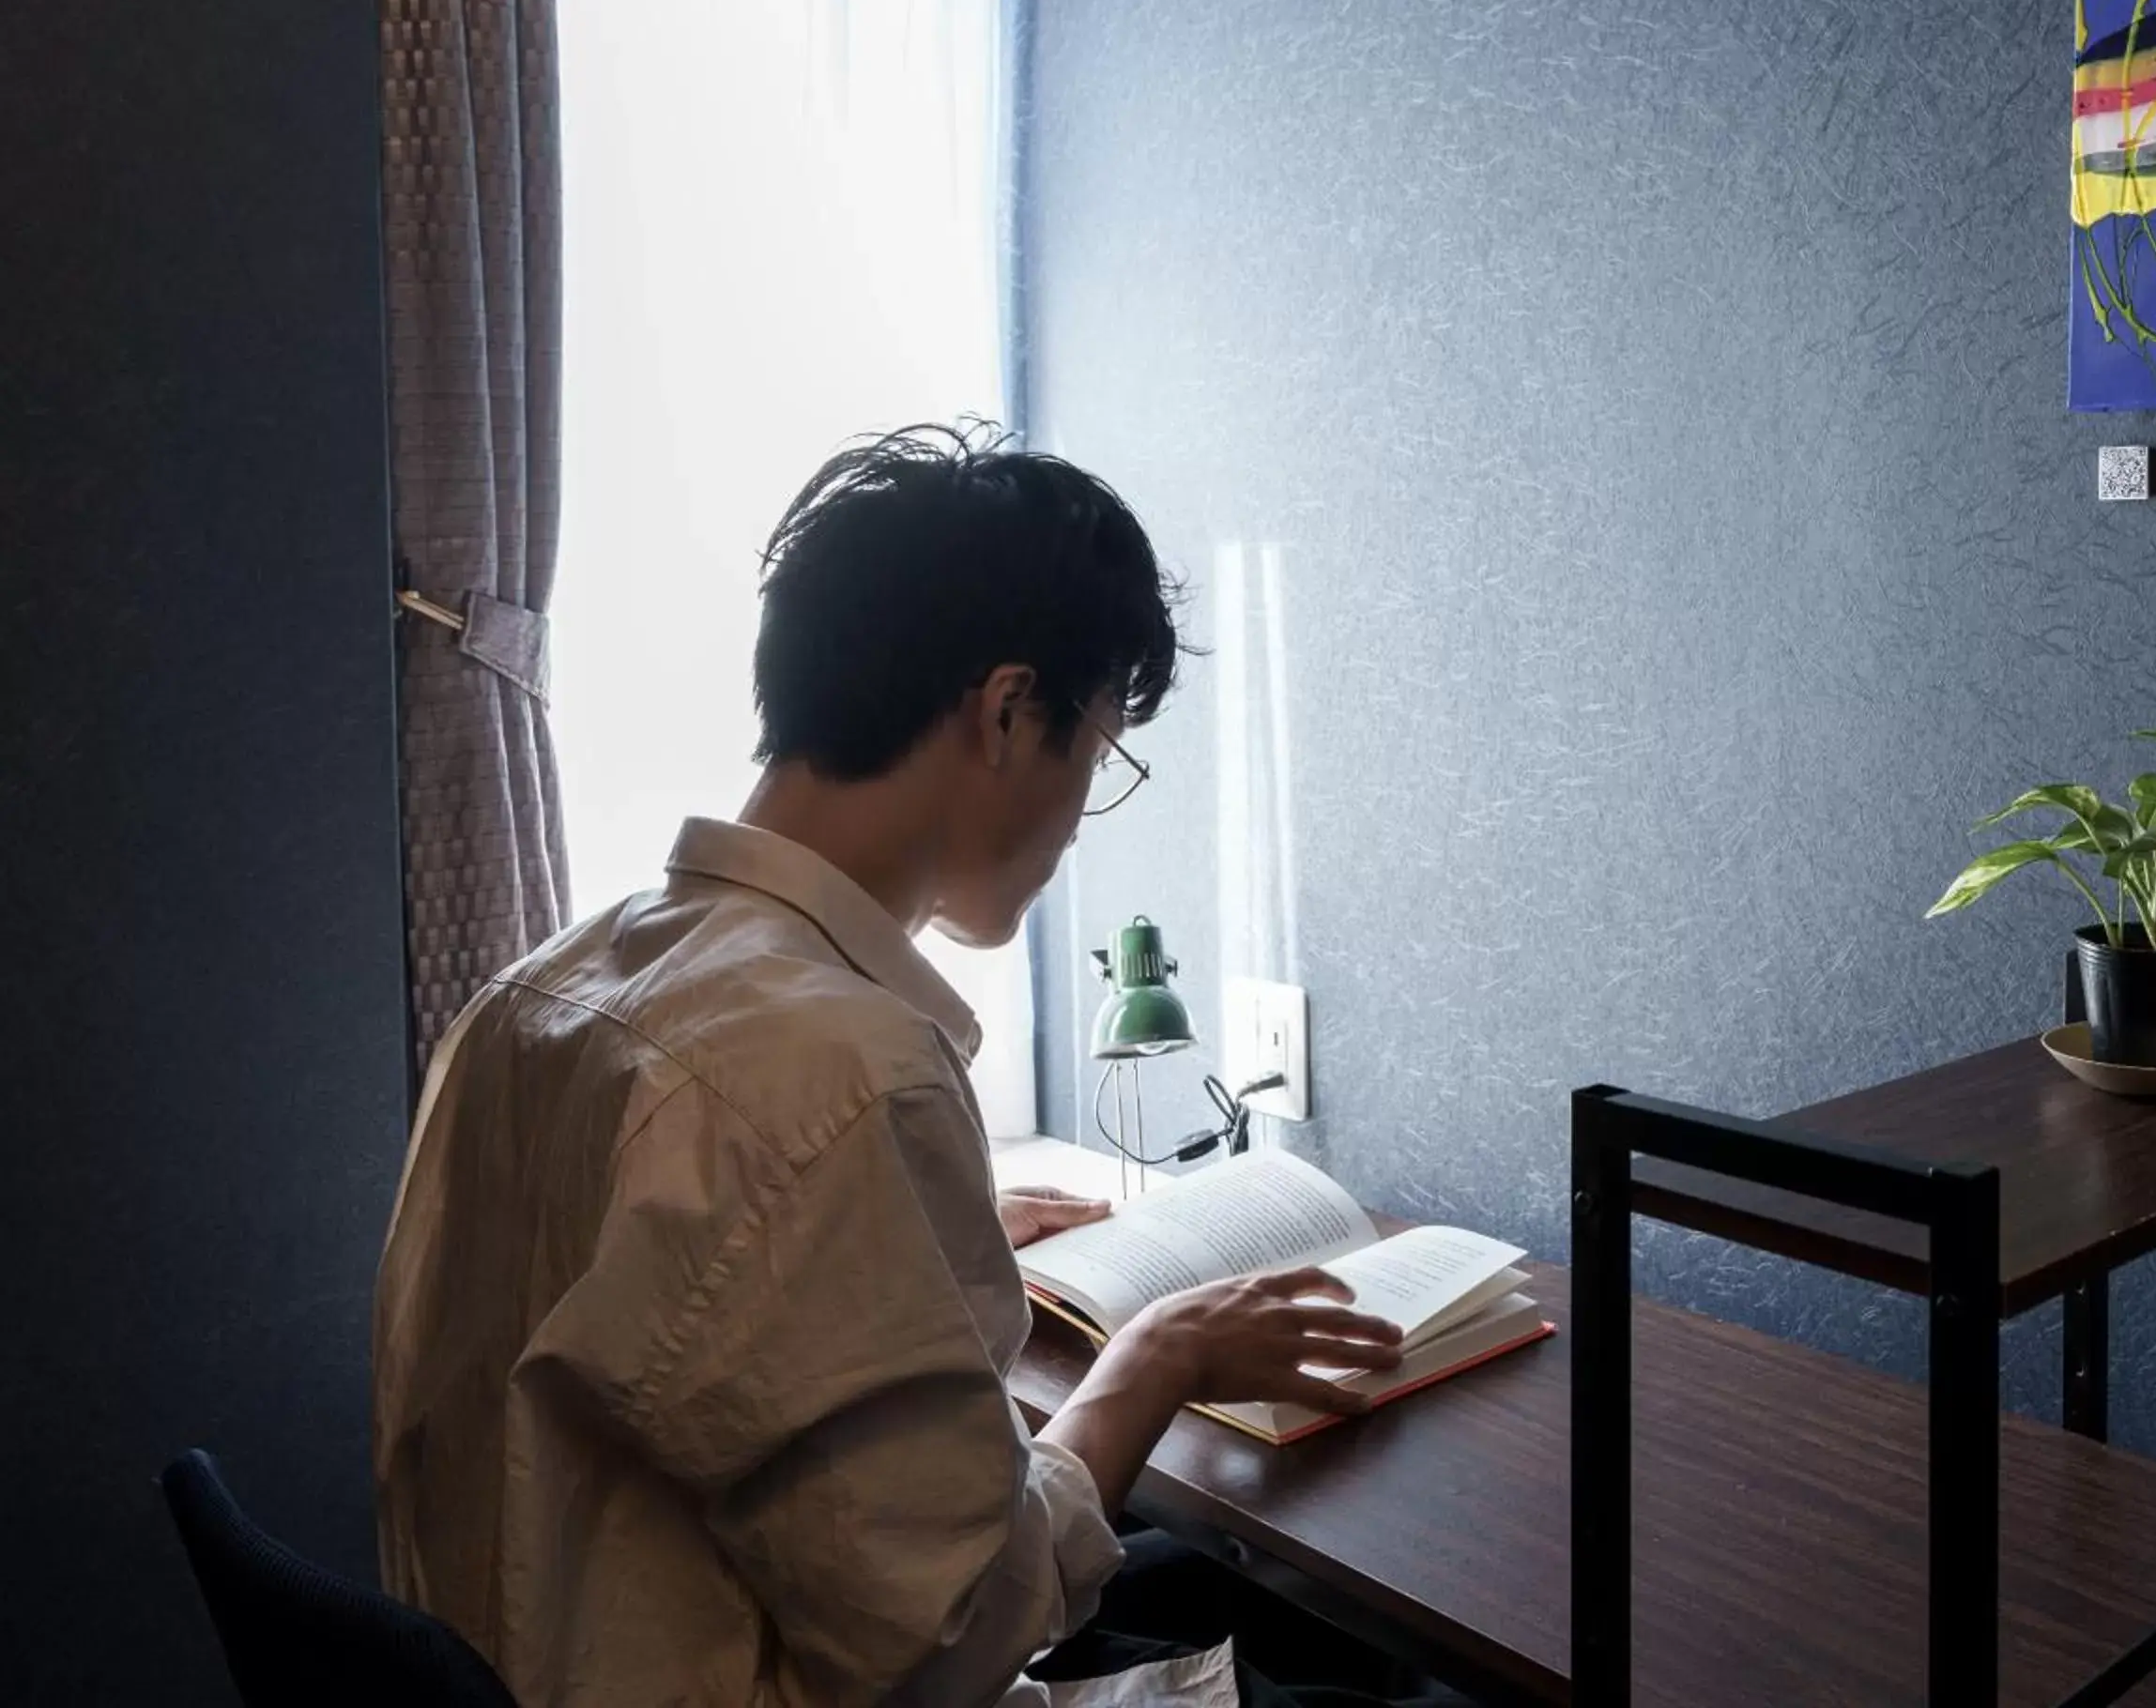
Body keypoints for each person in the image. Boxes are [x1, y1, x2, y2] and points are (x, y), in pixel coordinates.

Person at [375, 424, 1435, 1708]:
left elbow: (650, 1309)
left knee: (1220, 1595)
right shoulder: (835, 1074)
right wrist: (1150, 1364)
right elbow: (951, 1644)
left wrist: (908, 1244)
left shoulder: (538, 993)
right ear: (1005, 712)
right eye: (1095, 754)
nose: (1076, 815)